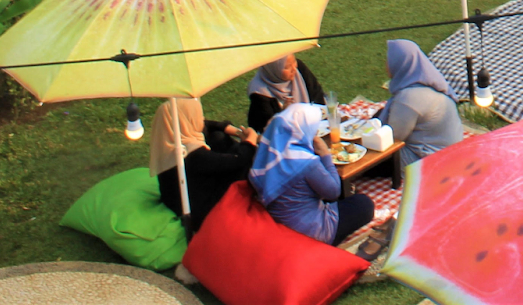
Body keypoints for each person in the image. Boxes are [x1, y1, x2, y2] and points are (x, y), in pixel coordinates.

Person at [249, 104, 374, 245]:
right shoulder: (305, 161)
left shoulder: (261, 158)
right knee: (364, 204)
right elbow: (333, 191)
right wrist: (325, 155)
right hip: (314, 233)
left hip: (281, 229)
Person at [152, 98, 259, 232]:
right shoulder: (194, 155)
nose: (201, 118)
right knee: (243, 160)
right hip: (201, 214)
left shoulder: (168, 143)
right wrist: (251, 140)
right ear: (187, 120)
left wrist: (231, 130)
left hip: (180, 199)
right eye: (197, 115)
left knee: (216, 137)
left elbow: (206, 124)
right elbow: (238, 159)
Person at [380, 40, 463, 165]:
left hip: (432, 161)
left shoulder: (408, 98)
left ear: (399, 63)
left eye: (389, 60)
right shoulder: (431, 83)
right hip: (452, 153)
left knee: (367, 160)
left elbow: (392, 138)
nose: (386, 64)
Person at [247, 54, 324, 133]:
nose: (294, 68)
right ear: (274, 70)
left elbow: (317, 95)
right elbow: (267, 130)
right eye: (287, 67)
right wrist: (285, 113)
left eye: (294, 61)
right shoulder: (259, 93)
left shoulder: (299, 69)